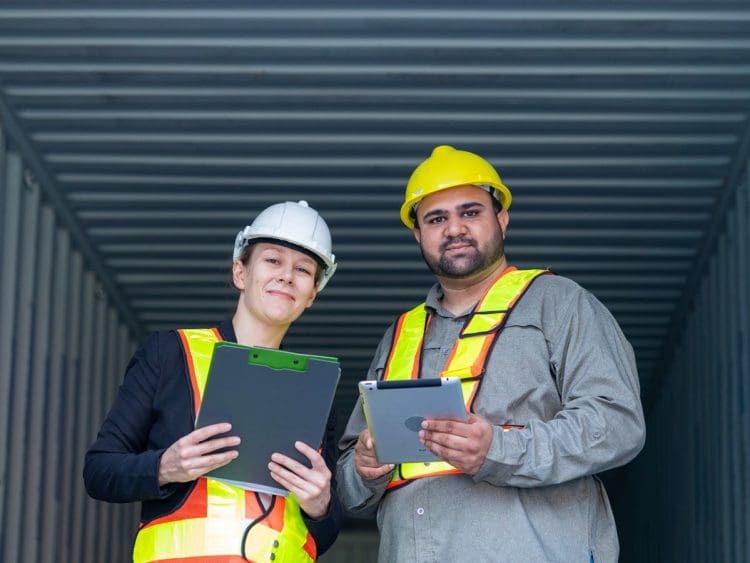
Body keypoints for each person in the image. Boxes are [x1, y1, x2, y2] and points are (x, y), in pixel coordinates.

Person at [336, 145, 646, 562]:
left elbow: (618, 423)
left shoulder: (558, 303)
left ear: (502, 218)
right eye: (436, 219)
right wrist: (364, 469)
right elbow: (348, 486)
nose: (454, 229)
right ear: (418, 235)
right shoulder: (399, 335)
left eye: (470, 212)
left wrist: (497, 450)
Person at [85, 200, 343, 562]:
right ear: (240, 273)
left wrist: (320, 504)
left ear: (312, 293)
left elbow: (326, 532)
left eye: (303, 269)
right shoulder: (170, 355)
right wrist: (165, 467)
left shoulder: (317, 391)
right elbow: (99, 471)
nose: (287, 275)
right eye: (272, 260)